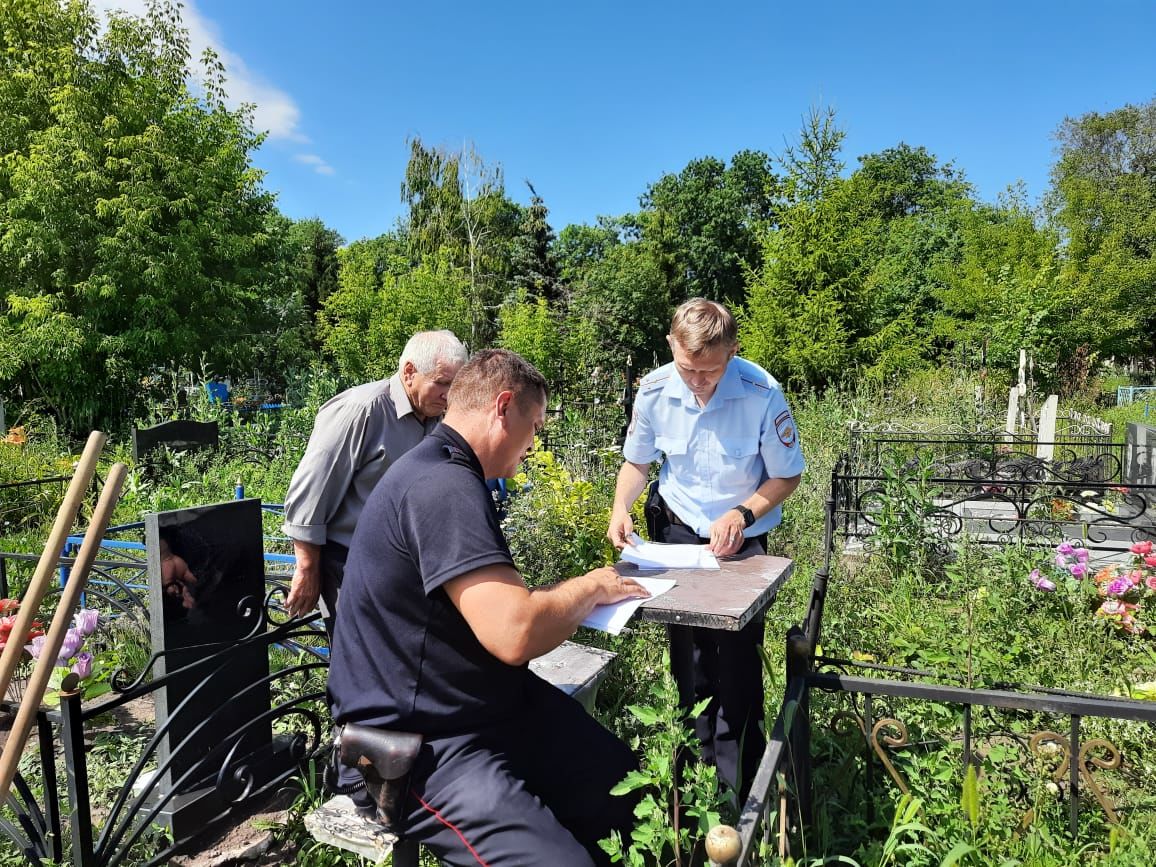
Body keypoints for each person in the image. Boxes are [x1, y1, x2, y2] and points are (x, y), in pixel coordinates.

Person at [328, 348, 649, 867]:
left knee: (629, 794)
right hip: (419, 747)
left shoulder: (449, 472)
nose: (534, 442)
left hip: (486, 708)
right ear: (503, 407)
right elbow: (514, 632)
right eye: (535, 425)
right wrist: (591, 587)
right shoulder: (442, 486)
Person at [607, 298, 805, 800]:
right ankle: (692, 779)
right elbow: (637, 464)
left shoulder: (761, 392)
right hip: (677, 534)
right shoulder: (653, 390)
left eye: (711, 371)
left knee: (737, 657)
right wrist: (620, 507)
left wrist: (742, 515)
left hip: (740, 537)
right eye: (688, 369)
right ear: (671, 346)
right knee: (689, 658)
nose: (698, 382)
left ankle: (741, 776)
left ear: (733, 351)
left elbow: (787, 474)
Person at [281, 330, 467, 634]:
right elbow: (312, 489)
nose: (449, 394)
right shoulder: (362, 409)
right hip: (349, 563)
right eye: (442, 383)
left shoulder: (436, 419)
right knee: (358, 659)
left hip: (403, 565)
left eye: (455, 385)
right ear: (409, 373)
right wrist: (306, 567)